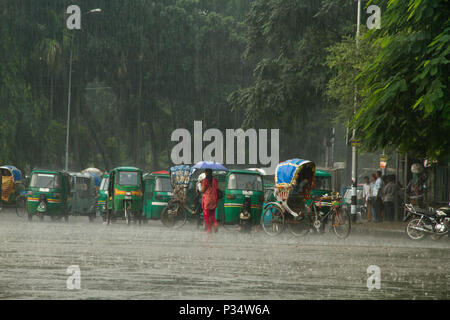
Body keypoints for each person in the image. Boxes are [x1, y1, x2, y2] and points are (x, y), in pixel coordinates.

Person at [201, 169, 219, 234]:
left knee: (206, 215)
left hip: (207, 200)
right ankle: (216, 225)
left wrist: (201, 184)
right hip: (214, 199)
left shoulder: (205, 181)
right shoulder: (215, 180)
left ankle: (209, 230)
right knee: (212, 215)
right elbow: (216, 188)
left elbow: (202, 190)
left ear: (206, 173)